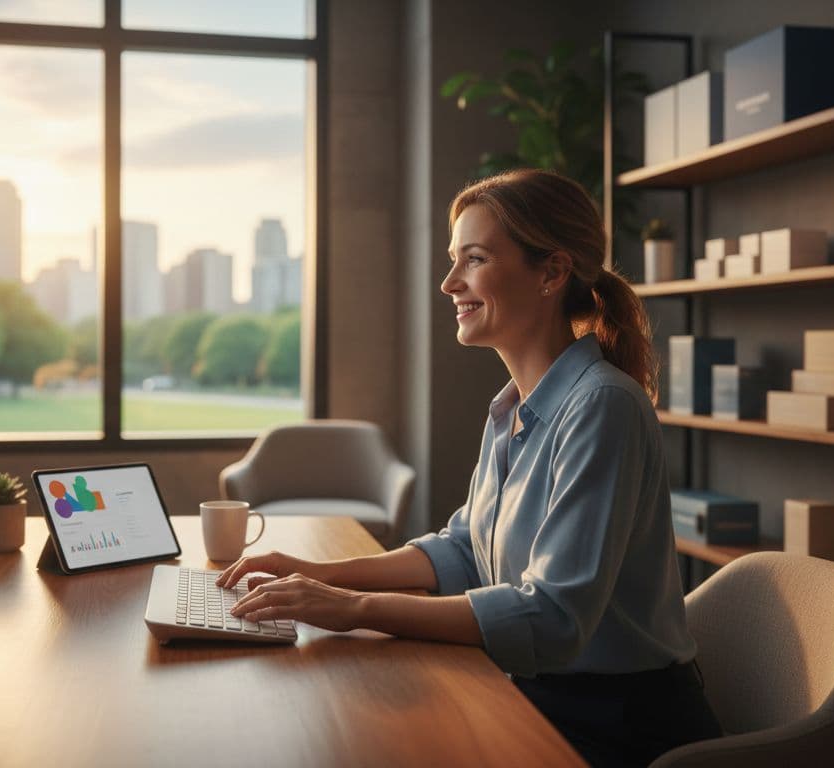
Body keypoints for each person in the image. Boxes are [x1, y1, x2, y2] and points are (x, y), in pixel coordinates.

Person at [218, 169, 722, 767]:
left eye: (474, 259)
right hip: (542, 692)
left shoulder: (603, 406)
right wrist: (319, 575)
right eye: (454, 260)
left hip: (616, 725)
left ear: (552, 273)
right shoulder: (512, 408)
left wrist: (350, 609)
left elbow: (554, 617)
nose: (449, 282)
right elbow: (463, 549)